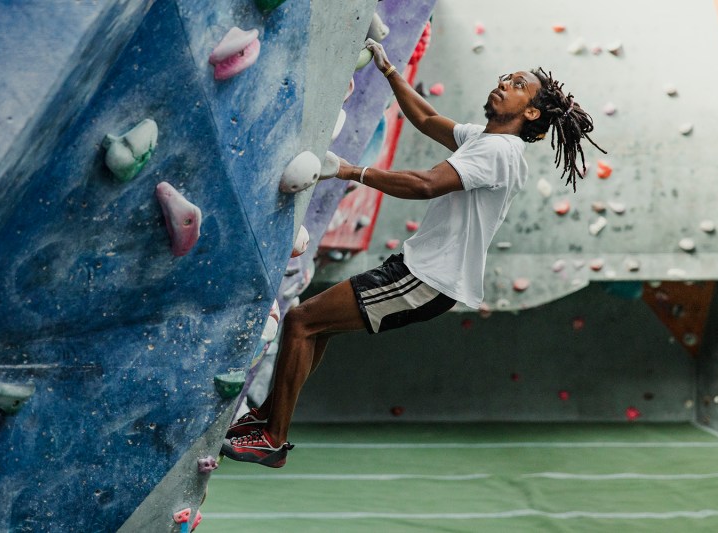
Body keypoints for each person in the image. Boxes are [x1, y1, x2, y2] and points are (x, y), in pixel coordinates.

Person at [221, 38, 605, 468]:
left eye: (517, 84)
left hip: (426, 281)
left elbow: (425, 185)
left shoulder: (499, 151)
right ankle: (266, 419)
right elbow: (425, 118)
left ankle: (273, 437)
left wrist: (349, 170)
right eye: (506, 77)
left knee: (301, 321)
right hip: (418, 271)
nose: (503, 83)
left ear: (531, 112)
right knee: (315, 326)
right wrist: (389, 71)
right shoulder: (486, 139)